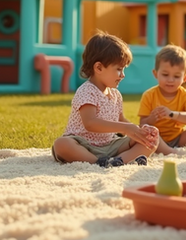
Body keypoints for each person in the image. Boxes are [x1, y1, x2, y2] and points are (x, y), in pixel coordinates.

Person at [51, 32, 157, 167]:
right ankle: (98, 162)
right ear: (99, 67)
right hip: (83, 145)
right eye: (119, 69)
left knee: (149, 142)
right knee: (62, 144)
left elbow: (120, 120)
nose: (123, 75)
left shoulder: (116, 95)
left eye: (123, 69)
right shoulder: (86, 91)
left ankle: (118, 161)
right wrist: (126, 128)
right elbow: (90, 123)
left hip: (110, 145)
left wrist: (139, 131)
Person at [138, 44, 186, 154]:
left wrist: (172, 114)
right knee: (147, 134)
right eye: (165, 75)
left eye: (176, 76)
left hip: (178, 138)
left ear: (185, 78)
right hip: (156, 139)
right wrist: (151, 120)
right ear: (155, 74)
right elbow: (142, 124)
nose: (170, 80)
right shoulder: (149, 95)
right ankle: (171, 152)